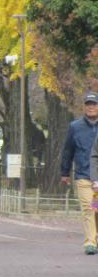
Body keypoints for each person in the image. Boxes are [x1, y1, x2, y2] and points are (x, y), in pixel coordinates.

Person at [63, 92, 98, 255]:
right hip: (83, 177)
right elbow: (68, 150)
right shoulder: (75, 127)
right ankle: (90, 242)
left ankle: (95, 237)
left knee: (96, 208)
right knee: (88, 208)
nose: (91, 107)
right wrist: (65, 172)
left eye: (94, 104)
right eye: (88, 104)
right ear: (84, 107)